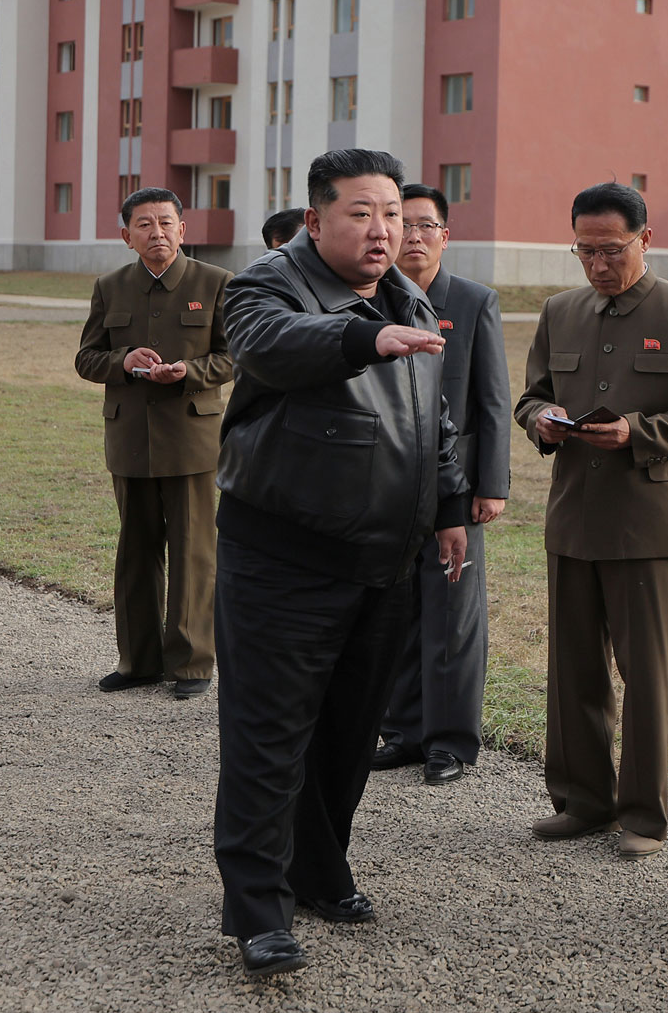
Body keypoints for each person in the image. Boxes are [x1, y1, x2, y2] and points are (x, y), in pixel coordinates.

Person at [211, 149, 471, 978]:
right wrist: (364, 338)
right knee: (269, 736)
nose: (382, 229)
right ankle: (258, 907)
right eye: (361, 212)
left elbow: (437, 421)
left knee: (349, 734)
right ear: (315, 218)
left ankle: (319, 873)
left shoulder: (408, 294)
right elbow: (272, 348)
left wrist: (452, 506)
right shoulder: (266, 285)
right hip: (284, 557)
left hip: (384, 559)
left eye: (392, 213)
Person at [513, 182, 668, 858]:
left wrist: (639, 431)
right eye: (585, 250)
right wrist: (541, 421)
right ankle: (583, 801)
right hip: (575, 511)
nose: (598, 263)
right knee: (573, 667)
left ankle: (643, 814)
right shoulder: (560, 311)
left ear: (645, 239)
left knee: (647, 671)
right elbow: (532, 396)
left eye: (612, 249)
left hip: (647, 517)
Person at [373, 183, 511, 786]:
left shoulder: (474, 301)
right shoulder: (372, 301)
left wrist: (492, 485)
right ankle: (402, 731)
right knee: (397, 609)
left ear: (445, 236)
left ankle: (450, 741)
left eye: (427, 226)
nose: (415, 236)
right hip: (387, 485)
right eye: (405, 225)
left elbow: (493, 401)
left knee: (453, 614)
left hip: (457, 489)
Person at [73, 187, 234, 700]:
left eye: (166, 222)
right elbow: (86, 358)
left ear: (183, 230)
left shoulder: (216, 283)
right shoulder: (110, 286)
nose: (157, 233)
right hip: (130, 439)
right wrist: (121, 362)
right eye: (144, 225)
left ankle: (190, 665)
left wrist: (189, 371)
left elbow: (235, 357)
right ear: (126, 236)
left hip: (191, 438)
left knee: (193, 551)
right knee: (136, 551)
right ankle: (138, 661)